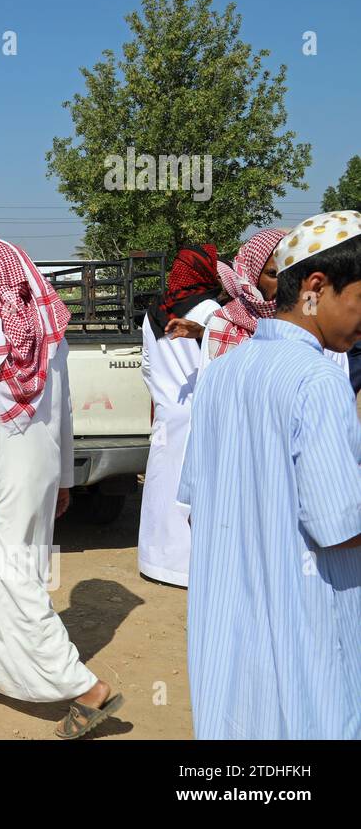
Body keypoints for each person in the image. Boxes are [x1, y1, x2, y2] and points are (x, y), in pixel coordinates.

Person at [0, 239, 123, 739]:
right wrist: (63, 477)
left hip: (0, 468)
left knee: (13, 579)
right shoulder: (47, 323)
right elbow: (64, 405)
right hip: (39, 468)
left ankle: (84, 687)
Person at [179, 211, 361, 739]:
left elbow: (198, 505)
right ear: (316, 287)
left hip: (229, 625)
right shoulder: (318, 381)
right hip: (305, 625)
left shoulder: (221, 372)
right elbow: (339, 525)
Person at [137, 245, 223, 588]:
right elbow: (220, 360)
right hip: (199, 414)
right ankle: (187, 569)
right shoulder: (213, 312)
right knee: (193, 491)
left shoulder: (154, 311)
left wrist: (161, 395)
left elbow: (146, 366)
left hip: (166, 413)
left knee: (160, 484)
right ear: (206, 272)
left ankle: (155, 561)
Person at [201, 228, 286, 364]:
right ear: (252, 276)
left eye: (290, 273)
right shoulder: (223, 324)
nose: (284, 283)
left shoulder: (309, 320)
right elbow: (209, 382)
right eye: (273, 274)